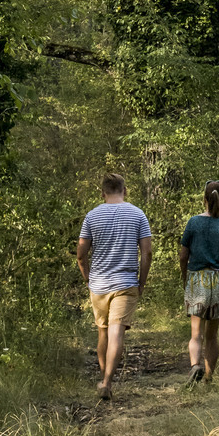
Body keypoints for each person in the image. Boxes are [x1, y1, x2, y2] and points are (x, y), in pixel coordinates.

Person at [76, 170, 153, 401]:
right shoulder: (138, 214)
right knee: (116, 332)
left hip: (98, 284)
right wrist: (142, 282)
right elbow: (147, 253)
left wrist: (88, 278)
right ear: (124, 190)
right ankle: (108, 381)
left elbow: (81, 254)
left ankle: (104, 379)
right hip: (126, 282)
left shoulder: (91, 216)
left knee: (103, 332)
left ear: (103, 193)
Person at [178, 178, 219, 384]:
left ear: (204, 198)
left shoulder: (193, 223)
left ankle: (195, 366)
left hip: (198, 279)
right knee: (212, 335)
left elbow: (183, 256)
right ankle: (209, 378)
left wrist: (186, 278)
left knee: (196, 334)